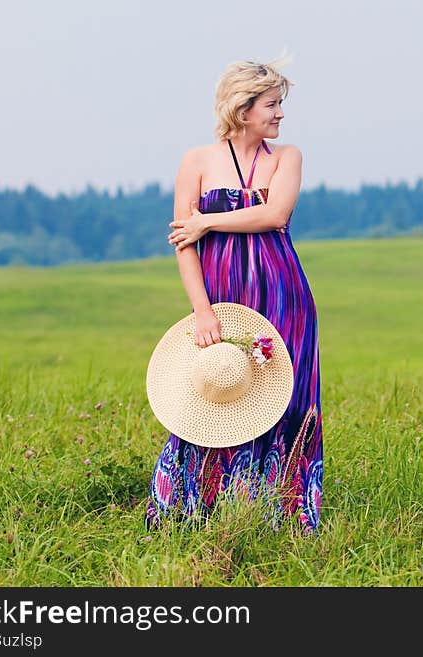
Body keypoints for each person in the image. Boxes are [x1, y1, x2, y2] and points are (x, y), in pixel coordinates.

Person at [144, 56, 323, 534]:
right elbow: (184, 243)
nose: (281, 114)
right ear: (244, 109)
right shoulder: (196, 162)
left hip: (282, 293)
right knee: (215, 388)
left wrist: (208, 220)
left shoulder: (287, 157)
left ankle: (284, 514)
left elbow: (275, 215)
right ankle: (192, 511)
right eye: (272, 104)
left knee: (283, 396)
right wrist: (200, 311)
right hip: (221, 295)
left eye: (280, 104)